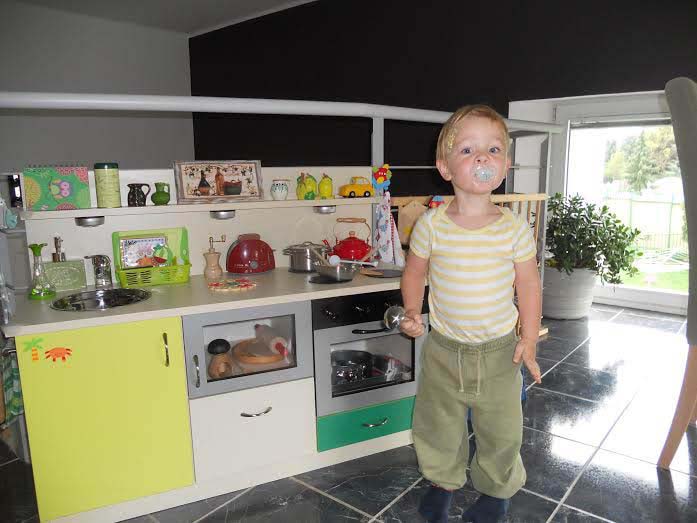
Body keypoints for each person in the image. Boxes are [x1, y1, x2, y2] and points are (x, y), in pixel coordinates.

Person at [399, 104, 542, 523]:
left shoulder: (514, 228)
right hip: (444, 350)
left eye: (493, 149)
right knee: (438, 425)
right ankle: (442, 481)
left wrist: (529, 338)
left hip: (499, 353)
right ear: (444, 167)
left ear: (505, 165)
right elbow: (415, 272)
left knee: (501, 429)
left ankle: (497, 491)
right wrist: (412, 310)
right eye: (467, 150)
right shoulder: (430, 224)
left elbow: (528, 285)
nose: (482, 157)